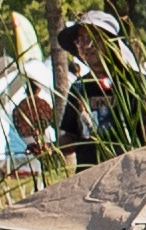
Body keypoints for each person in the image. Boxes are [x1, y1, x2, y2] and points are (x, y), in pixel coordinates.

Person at [52, 11, 123, 167]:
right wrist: (51, 149)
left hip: (125, 175)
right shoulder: (79, 87)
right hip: (88, 179)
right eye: (81, 40)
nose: (87, 46)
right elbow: (70, 136)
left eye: (93, 39)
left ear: (110, 42)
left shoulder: (131, 83)